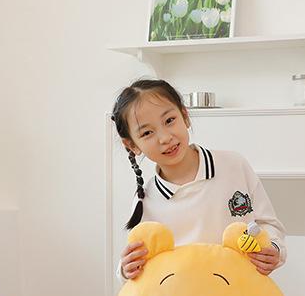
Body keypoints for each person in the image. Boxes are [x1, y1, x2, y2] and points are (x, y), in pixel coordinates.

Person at [111, 79, 287, 280]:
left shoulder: (233, 165)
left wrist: (273, 249)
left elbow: (269, 224)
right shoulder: (146, 200)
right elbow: (139, 265)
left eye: (169, 120)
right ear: (132, 145)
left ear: (185, 116)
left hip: (239, 291)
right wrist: (125, 269)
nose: (165, 138)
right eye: (147, 132)